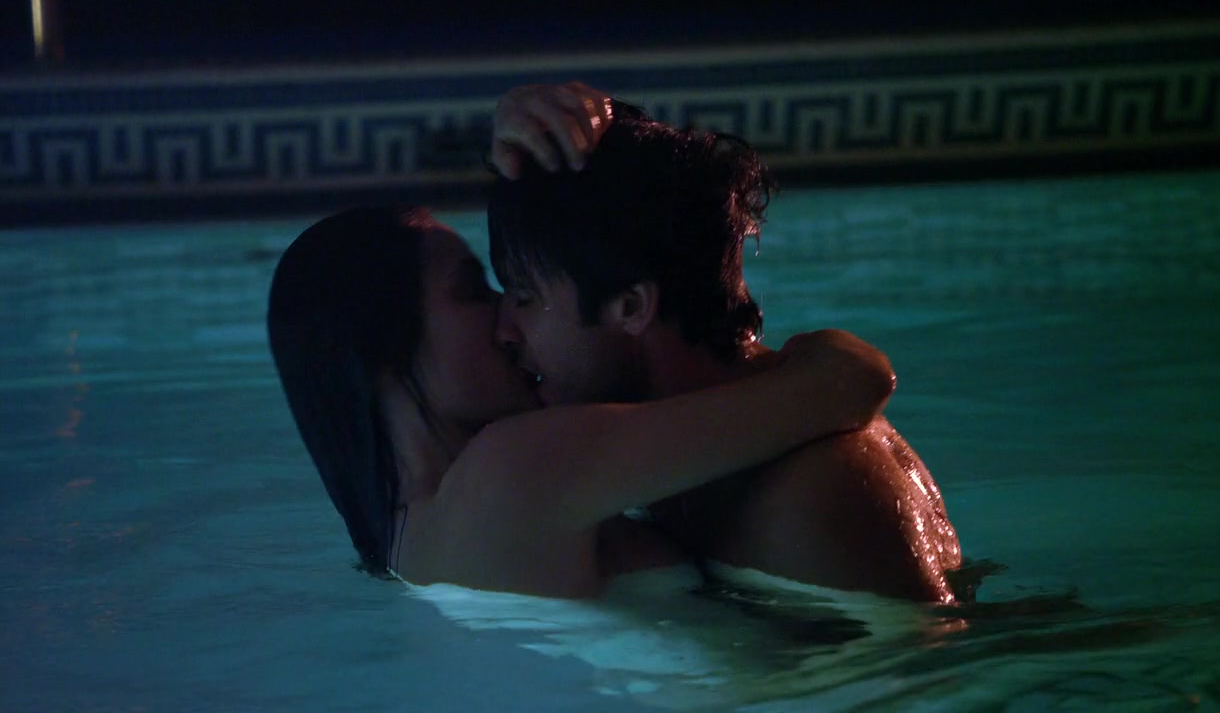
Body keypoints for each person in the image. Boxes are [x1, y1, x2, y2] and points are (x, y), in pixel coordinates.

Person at [267, 205, 896, 598]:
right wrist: (818, 347)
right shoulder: (516, 466)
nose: (509, 317)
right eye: (475, 292)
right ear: (385, 346)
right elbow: (850, 382)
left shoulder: (405, 546)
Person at [488, 84, 962, 603]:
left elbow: (931, 653)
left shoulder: (812, 495)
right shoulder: (678, 442)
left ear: (631, 307)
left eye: (524, 297)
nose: (502, 329)